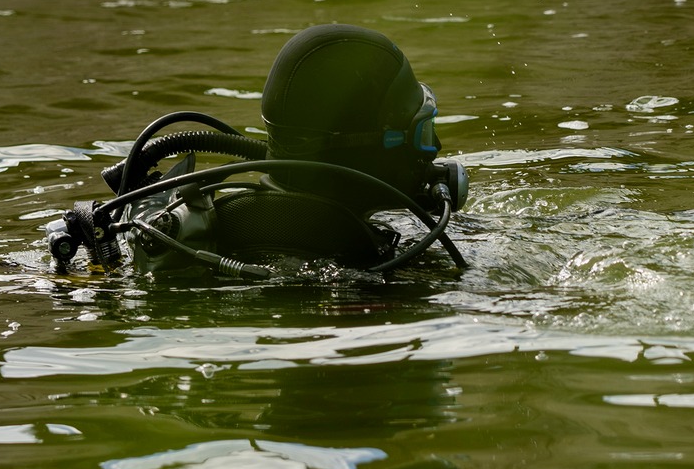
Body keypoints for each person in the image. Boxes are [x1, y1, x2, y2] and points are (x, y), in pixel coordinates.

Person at [49, 24, 468, 278]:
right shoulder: (377, 267)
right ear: (372, 145)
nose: (435, 150)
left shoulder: (211, 224)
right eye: (422, 132)